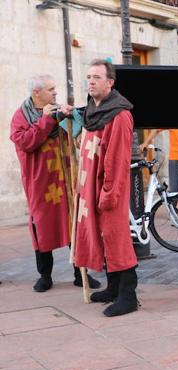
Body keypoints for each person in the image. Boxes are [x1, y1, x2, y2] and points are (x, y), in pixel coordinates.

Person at [10, 74, 100, 292]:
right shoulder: (21, 116)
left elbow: (77, 136)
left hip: (65, 177)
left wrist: (73, 116)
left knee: (73, 225)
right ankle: (45, 276)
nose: (55, 93)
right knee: (41, 227)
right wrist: (46, 119)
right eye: (50, 89)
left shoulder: (57, 109)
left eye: (55, 89)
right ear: (36, 93)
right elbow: (25, 142)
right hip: (40, 183)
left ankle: (81, 274)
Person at [73, 59, 138, 317]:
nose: (91, 81)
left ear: (110, 83)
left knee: (117, 237)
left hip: (110, 189)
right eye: (88, 76)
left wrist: (109, 193)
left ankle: (128, 295)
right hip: (91, 187)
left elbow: (117, 160)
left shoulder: (119, 115)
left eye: (97, 77)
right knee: (103, 236)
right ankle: (112, 288)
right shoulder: (92, 109)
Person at [139, 128, 178, 218]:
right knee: (174, 187)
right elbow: (156, 130)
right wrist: (145, 143)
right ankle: (172, 210)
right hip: (175, 157)